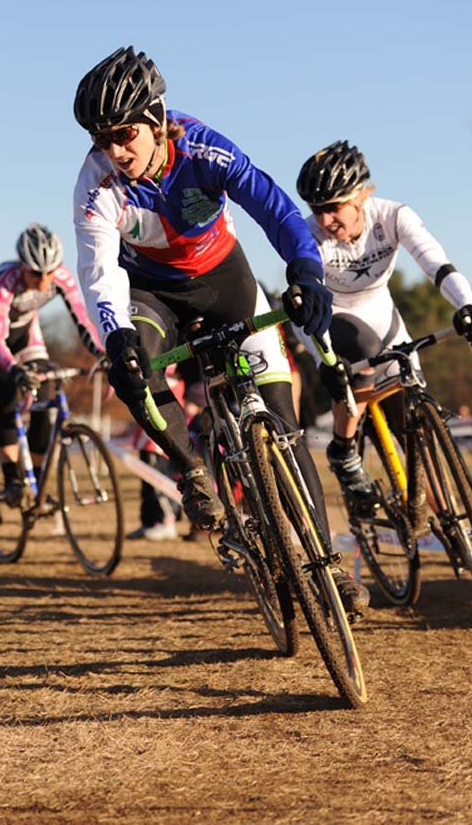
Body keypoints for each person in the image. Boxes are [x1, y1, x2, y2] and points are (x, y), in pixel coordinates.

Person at [71, 46, 367, 613]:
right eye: (100, 138)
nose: (114, 150)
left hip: (224, 277)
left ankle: (326, 563)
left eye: (124, 133)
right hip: (150, 292)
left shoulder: (203, 146)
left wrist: (305, 271)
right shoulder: (96, 183)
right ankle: (191, 470)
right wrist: (115, 334)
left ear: (157, 119)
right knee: (132, 367)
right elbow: (98, 269)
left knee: (283, 418)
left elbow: (275, 207)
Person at [295, 140, 472, 514]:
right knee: (362, 351)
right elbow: (303, 311)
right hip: (334, 321)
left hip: (386, 321)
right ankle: (344, 449)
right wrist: (324, 362)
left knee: (420, 446)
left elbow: (437, 265)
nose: (323, 220)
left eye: (332, 208)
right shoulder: (309, 237)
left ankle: (460, 531)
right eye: (315, 210)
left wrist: (469, 306)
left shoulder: (392, 216)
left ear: (360, 197)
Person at [0, 223, 104, 505]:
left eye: (49, 273)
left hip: (26, 331)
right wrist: (15, 371)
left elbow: (82, 320)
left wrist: (103, 353)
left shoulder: (61, 277)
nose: (43, 281)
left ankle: (37, 482)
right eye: (35, 273)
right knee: (7, 387)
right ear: (22, 266)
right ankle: (11, 480)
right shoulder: (6, 283)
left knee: (48, 388)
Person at [127, 365, 184, 541]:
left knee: (157, 473)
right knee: (146, 474)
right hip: (145, 408)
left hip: (160, 410)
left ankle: (165, 520)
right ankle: (149, 521)